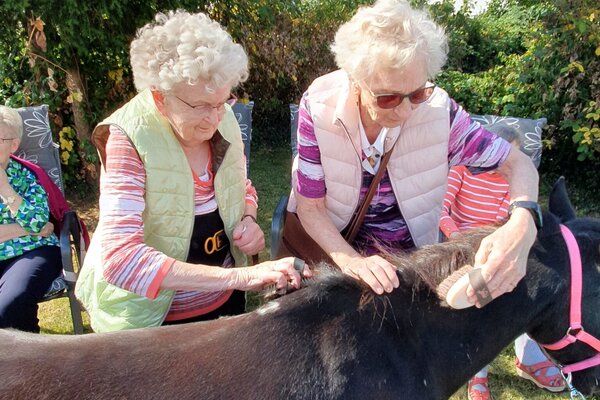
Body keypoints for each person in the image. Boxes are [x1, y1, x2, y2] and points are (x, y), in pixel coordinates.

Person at [289, 0, 539, 308]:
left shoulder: (439, 113)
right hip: (332, 254)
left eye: (418, 93)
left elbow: (517, 163)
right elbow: (311, 207)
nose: (407, 111)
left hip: (408, 267)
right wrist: (352, 262)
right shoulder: (319, 106)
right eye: (388, 98)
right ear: (355, 81)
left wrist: (523, 220)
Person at [75, 11, 309, 333]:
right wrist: (240, 276)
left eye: (223, 101)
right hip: (157, 324)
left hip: (225, 302)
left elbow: (241, 187)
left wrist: (249, 218)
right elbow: (121, 259)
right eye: (200, 106)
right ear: (160, 98)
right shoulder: (129, 138)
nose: (214, 118)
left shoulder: (224, 118)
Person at [439, 129, 564, 399]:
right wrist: (459, 239)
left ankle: (528, 357)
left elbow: (504, 223)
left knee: (531, 289)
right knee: (481, 302)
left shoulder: (513, 182)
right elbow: (442, 210)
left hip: (493, 248)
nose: (505, 166)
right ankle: (478, 372)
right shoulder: (462, 171)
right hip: (457, 247)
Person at [0, 105, 61, 333]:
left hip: (33, 252)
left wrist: (6, 188)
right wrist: (28, 229)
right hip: (28, 240)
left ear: (13, 145)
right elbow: (38, 226)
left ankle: (29, 352)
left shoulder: (28, 175)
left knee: (8, 307)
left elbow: (39, 221)